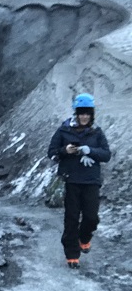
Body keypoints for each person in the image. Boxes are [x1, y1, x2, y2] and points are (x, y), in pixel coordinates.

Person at [47, 93, 111, 269]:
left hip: (91, 180)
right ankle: (72, 254)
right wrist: (65, 150)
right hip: (71, 180)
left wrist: (90, 150)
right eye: (81, 113)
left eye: (87, 113)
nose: (84, 116)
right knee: (71, 218)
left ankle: (84, 238)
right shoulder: (64, 130)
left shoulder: (97, 132)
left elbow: (106, 155)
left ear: (91, 114)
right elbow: (51, 152)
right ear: (76, 113)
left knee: (91, 217)